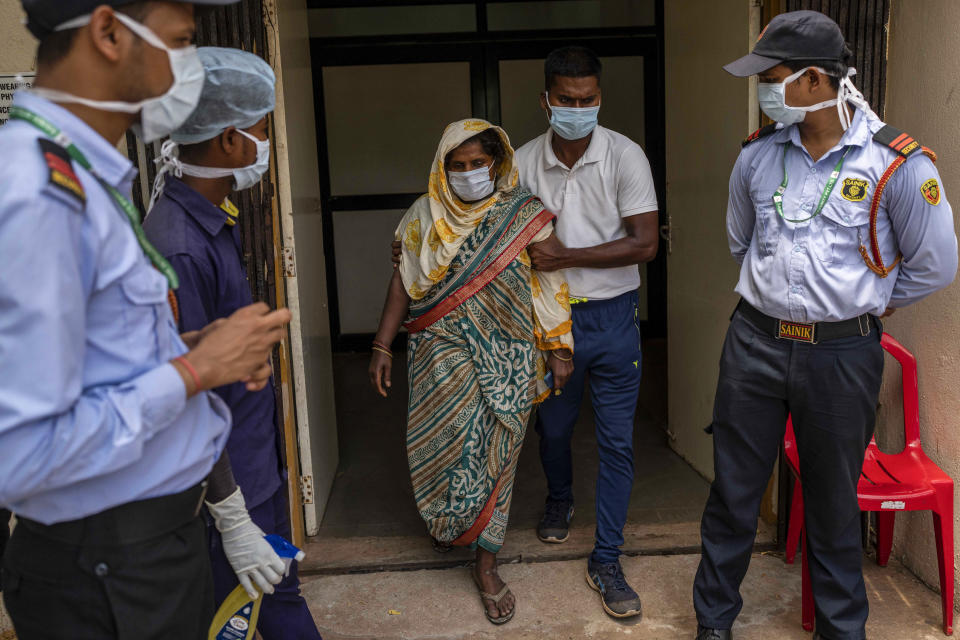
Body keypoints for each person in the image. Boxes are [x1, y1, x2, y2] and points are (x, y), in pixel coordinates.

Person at [0, 2, 292, 638]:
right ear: (109, 33)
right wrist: (194, 369)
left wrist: (193, 345)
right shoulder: (36, 192)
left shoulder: (87, 178)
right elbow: (16, 453)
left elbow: (89, 361)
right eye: (183, 43)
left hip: (146, 552)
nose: (193, 72)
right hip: (105, 568)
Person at [693, 11, 957, 640]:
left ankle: (842, 630)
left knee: (835, 504)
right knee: (732, 494)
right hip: (754, 343)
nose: (761, 90)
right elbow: (742, 242)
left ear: (814, 81)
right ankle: (713, 622)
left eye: (772, 77)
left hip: (841, 356)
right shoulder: (757, 156)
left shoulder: (895, 164)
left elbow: (937, 263)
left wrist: (873, 300)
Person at [143, 46, 322, 640]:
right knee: (238, 623)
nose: (268, 141)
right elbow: (184, 391)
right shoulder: (179, 247)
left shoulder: (207, 217)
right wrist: (234, 518)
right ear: (227, 139)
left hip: (252, 472)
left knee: (278, 601)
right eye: (263, 127)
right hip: (224, 494)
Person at [371, 119, 574, 625]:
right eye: (456, 166)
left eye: (477, 164)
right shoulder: (423, 215)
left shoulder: (522, 216)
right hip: (438, 359)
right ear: (443, 170)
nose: (468, 174)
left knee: (497, 459)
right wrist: (381, 343)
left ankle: (486, 563)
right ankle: (451, 522)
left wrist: (559, 349)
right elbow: (404, 282)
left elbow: (546, 287)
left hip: (508, 358)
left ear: (497, 163)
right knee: (442, 450)